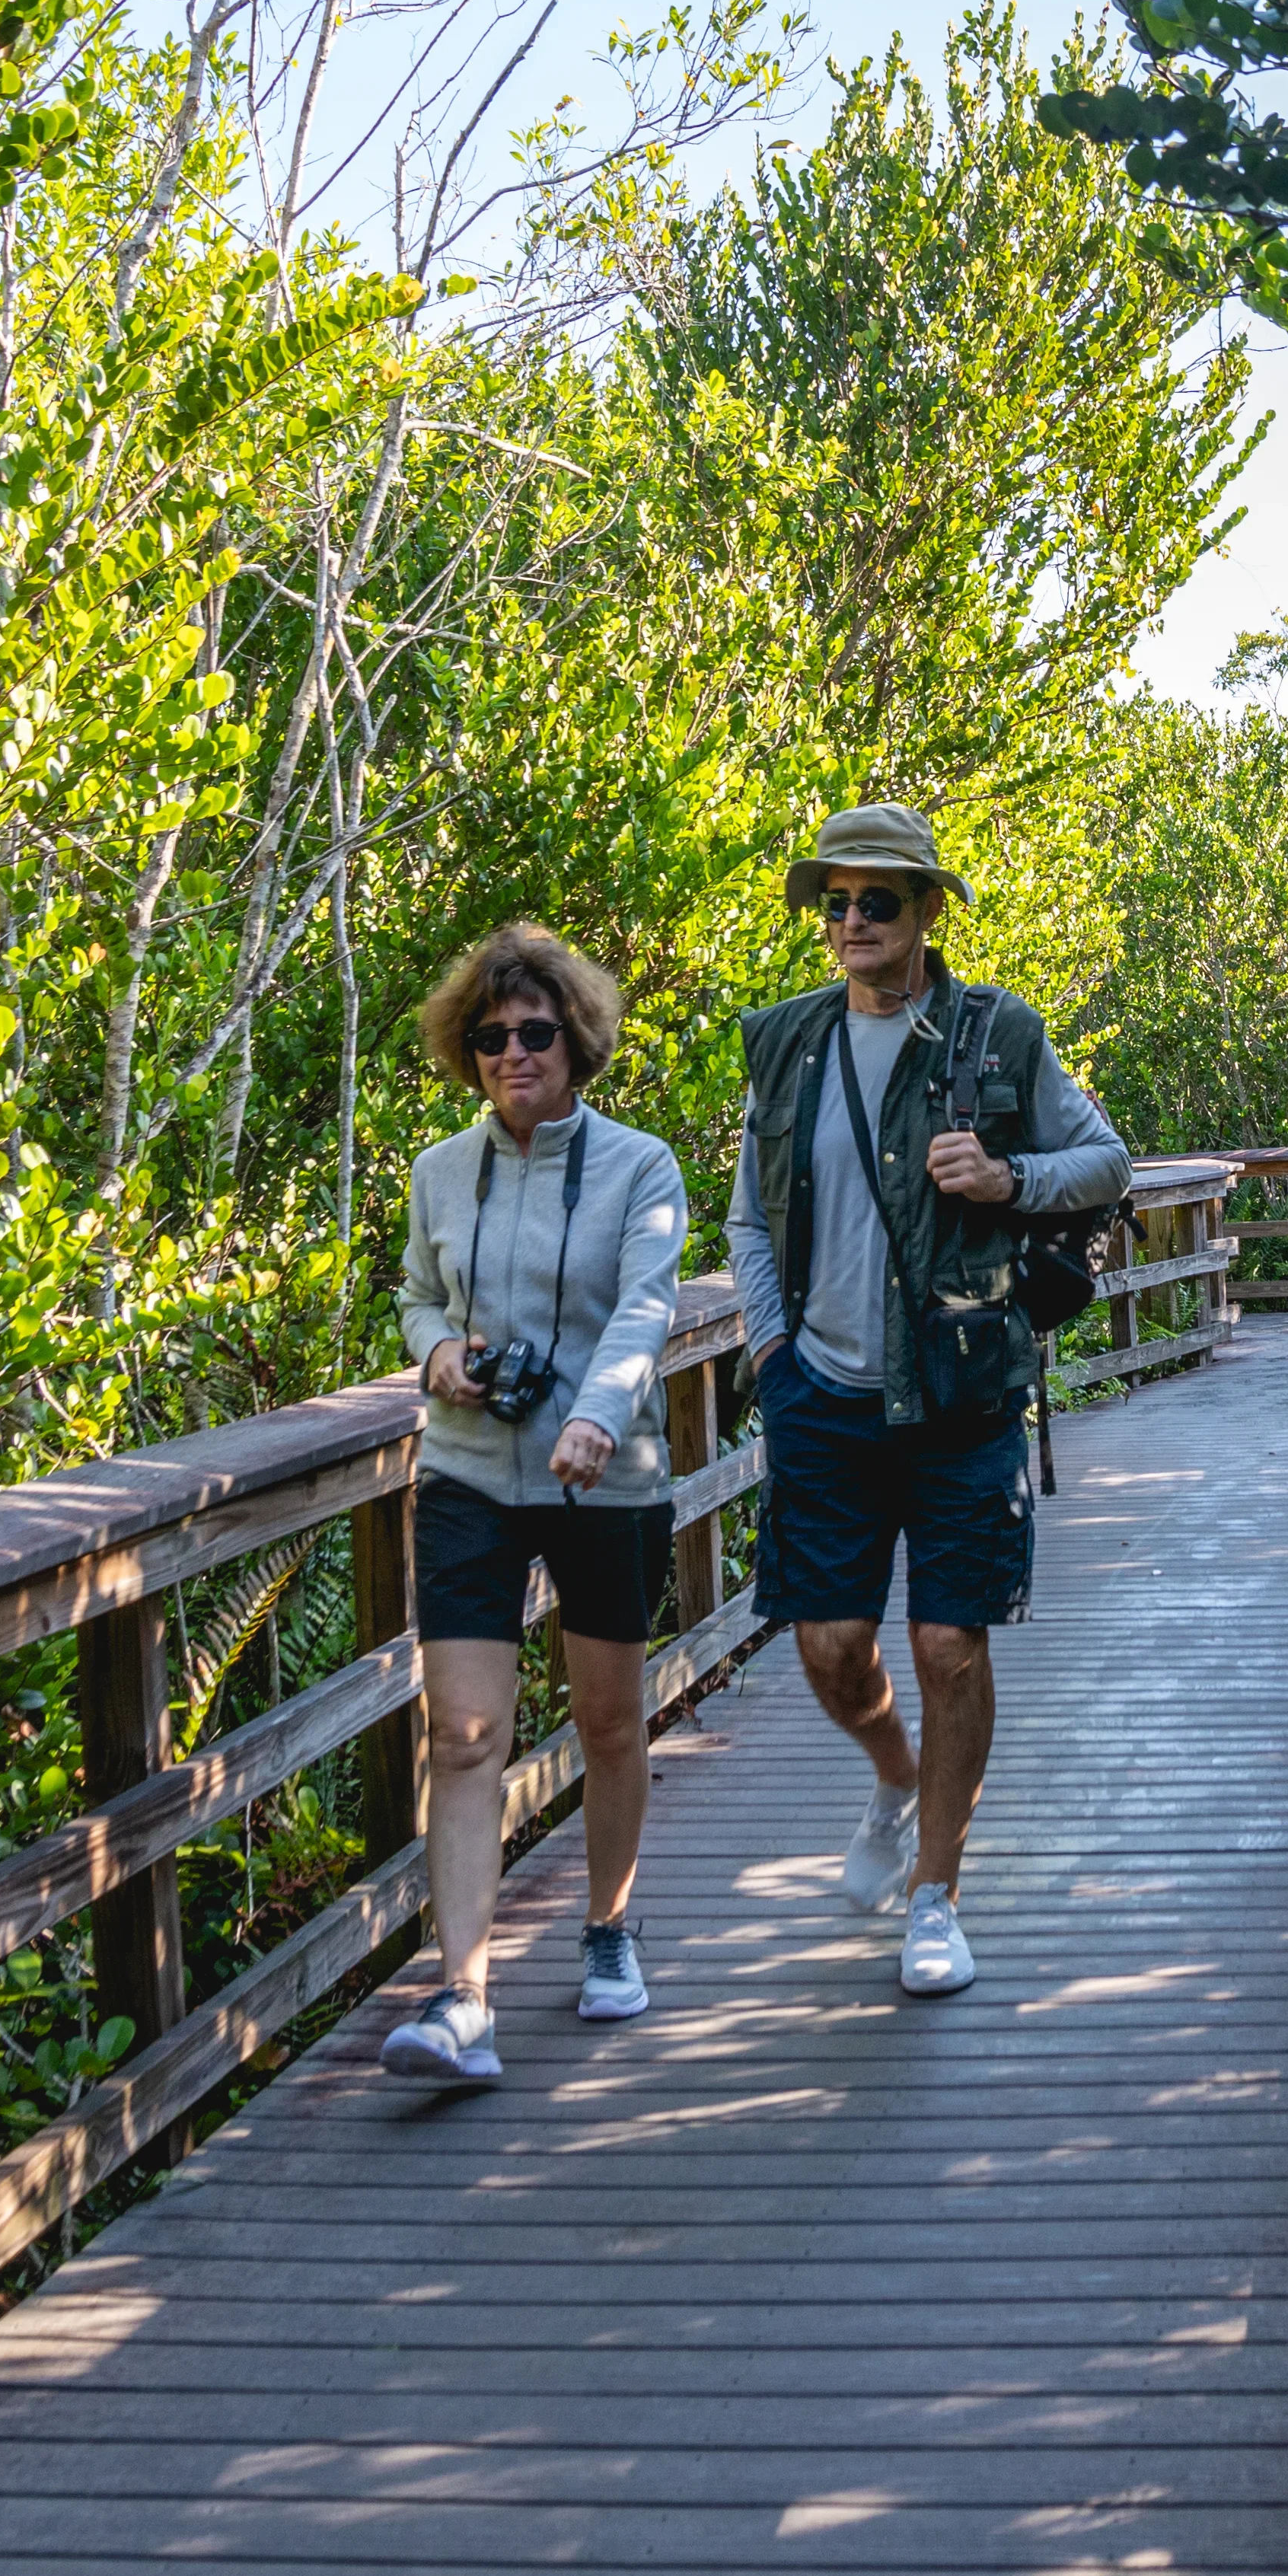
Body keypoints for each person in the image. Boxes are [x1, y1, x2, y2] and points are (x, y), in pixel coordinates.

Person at [724, 805, 1132, 1997]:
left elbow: (1106, 1160)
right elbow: (752, 1216)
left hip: (961, 1391)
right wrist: (769, 1349)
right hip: (824, 1396)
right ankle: (893, 1779)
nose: (851, 922)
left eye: (877, 902)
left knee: (949, 1644)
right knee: (831, 1645)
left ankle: (937, 1894)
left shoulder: (996, 1032)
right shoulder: (788, 1045)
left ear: (927, 913)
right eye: (834, 903)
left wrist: (1012, 1179)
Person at [375, 921, 691, 2085]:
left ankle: (609, 1927)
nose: (515, 1054)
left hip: (602, 1475)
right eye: (493, 1037)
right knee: (462, 1738)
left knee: (609, 1722)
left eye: (537, 1034)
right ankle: (464, 1997)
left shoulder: (641, 1167)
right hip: (466, 1468)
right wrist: (436, 1355)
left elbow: (644, 1310)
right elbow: (416, 1296)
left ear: (577, 1042)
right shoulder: (439, 1173)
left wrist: (598, 1413)